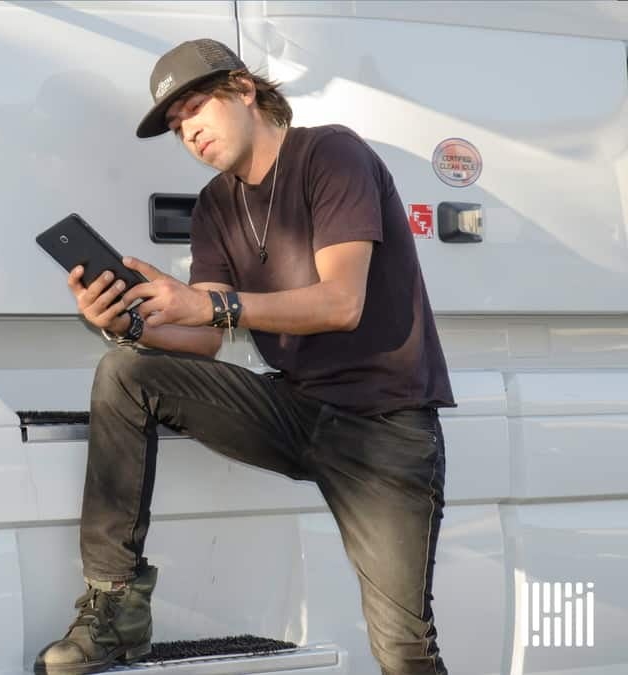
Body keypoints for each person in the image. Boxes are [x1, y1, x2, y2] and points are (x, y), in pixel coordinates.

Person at [34, 39, 455, 675]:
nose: (190, 132)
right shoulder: (215, 206)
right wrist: (127, 321)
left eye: (196, 108)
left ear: (243, 88)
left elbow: (341, 303)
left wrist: (212, 307)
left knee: (403, 651)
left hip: (385, 429)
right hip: (295, 408)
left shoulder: (330, 153)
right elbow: (201, 335)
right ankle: (115, 608)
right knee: (125, 371)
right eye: (177, 128)